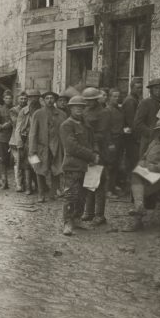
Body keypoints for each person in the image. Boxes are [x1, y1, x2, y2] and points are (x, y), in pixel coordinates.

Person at [124, 119, 160, 232]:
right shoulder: (154, 142)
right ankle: (139, 207)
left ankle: (138, 218)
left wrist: (156, 167)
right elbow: (144, 157)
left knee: (140, 187)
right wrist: (142, 165)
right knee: (136, 175)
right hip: (150, 172)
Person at [59, 95, 100, 236]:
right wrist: (91, 155)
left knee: (83, 195)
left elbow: (93, 141)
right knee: (70, 195)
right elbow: (71, 147)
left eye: (82, 107)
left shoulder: (86, 124)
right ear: (70, 108)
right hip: (72, 166)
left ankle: (77, 219)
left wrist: (96, 153)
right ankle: (67, 222)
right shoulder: (66, 125)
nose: (79, 109)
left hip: (86, 166)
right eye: (76, 107)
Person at [29, 90, 67, 203]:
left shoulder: (62, 114)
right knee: (39, 170)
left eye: (52, 98)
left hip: (56, 147)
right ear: (44, 100)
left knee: (56, 170)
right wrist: (32, 150)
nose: (49, 100)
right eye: (47, 98)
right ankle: (41, 194)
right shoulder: (38, 114)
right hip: (42, 147)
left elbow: (65, 132)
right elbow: (33, 133)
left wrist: (65, 148)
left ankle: (52, 193)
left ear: (55, 100)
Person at [81, 87, 109, 224]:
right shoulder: (85, 111)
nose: (88, 103)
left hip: (99, 149)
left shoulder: (103, 113)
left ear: (96, 99)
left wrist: (88, 138)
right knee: (88, 181)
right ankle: (89, 211)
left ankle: (99, 214)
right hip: (86, 149)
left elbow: (102, 133)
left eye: (91, 100)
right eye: (86, 100)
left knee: (99, 183)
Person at [13, 89, 41, 195]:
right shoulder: (23, 111)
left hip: (40, 142)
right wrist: (19, 143)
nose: (33, 99)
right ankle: (28, 187)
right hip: (28, 142)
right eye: (31, 97)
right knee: (28, 165)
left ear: (39, 98)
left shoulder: (42, 110)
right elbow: (18, 128)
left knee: (39, 164)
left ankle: (40, 186)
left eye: (35, 97)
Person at [134, 78, 160, 157]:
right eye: (156, 88)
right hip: (148, 141)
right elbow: (138, 123)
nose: (159, 90)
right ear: (151, 90)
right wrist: (151, 132)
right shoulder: (145, 103)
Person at [122, 78, 143, 190]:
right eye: (137, 88)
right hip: (132, 137)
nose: (140, 90)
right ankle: (132, 189)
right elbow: (132, 121)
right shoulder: (130, 101)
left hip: (133, 136)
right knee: (133, 162)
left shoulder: (135, 99)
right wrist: (138, 137)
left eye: (141, 87)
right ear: (132, 87)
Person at [103, 88, 124, 198]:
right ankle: (107, 190)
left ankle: (112, 187)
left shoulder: (118, 110)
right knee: (109, 166)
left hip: (119, 140)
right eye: (114, 96)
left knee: (116, 165)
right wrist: (110, 143)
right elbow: (105, 129)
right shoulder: (107, 111)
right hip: (111, 141)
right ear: (109, 97)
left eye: (118, 96)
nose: (117, 98)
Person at [0, 90, 14, 190]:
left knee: (16, 161)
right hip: (2, 138)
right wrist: (2, 126)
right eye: (6, 98)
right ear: (3, 99)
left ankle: (21, 183)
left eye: (10, 98)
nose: (8, 100)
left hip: (15, 137)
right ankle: (4, 182)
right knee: (2, 160)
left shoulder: (16, 109)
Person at [9, 91, 28, 191]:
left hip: (27, 139)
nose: (23, 101)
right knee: (18, 161)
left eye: (25, 99)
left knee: (27, 161)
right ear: (17, 99)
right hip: (16, 139)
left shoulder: (29, 109)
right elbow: (16, 122)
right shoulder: (13, 110)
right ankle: (19, 184)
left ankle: (27, 183)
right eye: (21, 98)